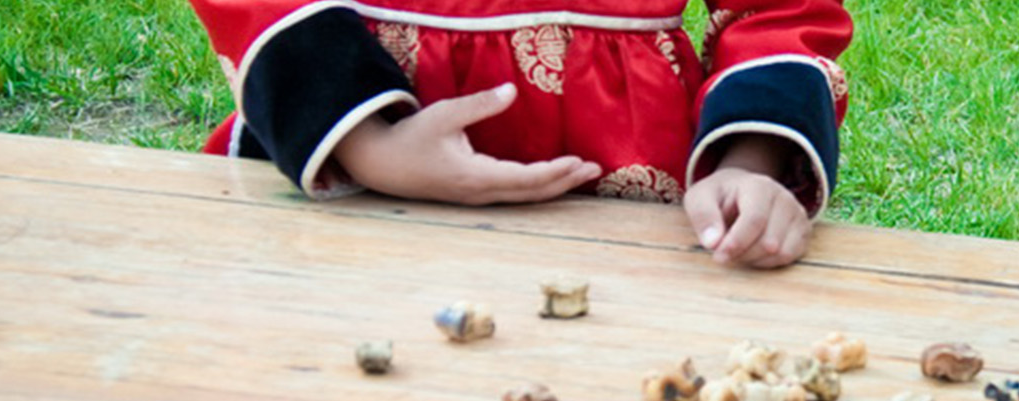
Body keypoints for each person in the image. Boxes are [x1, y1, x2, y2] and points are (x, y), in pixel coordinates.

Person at [189, 0, 852, 269]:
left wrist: (748, 163)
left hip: (628, 209)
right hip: (353, 170)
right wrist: (371, 147)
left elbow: (778, 12)